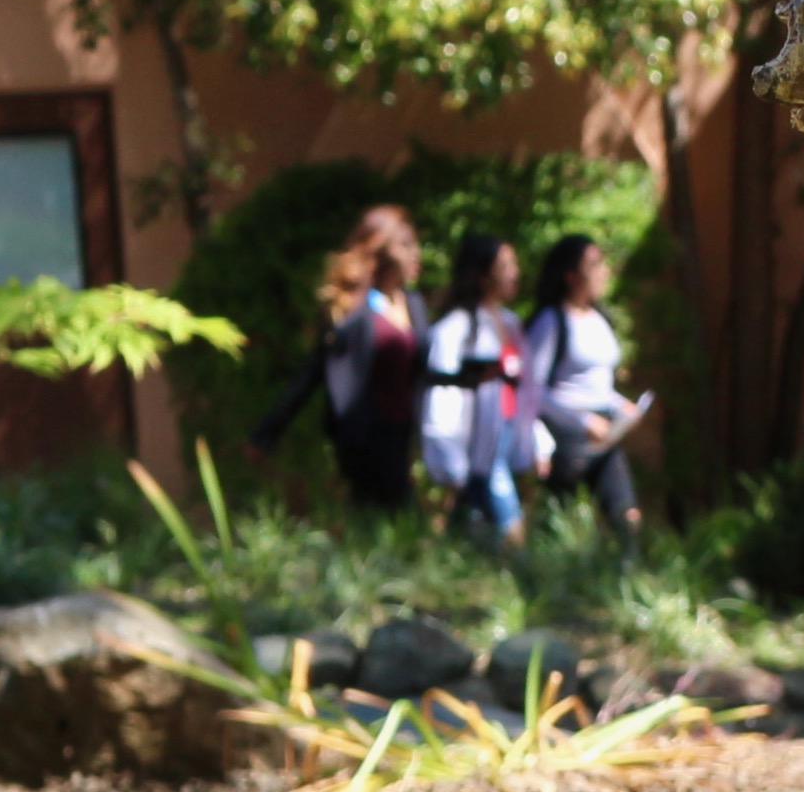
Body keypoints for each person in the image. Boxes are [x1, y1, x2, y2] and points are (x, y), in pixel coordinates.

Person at [261, 205, 425, 515]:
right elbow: (313, 372)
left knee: (387, 522)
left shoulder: (414, 305)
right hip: (366, 438)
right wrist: (268, 432)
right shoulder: (353, 310)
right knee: (387, 515)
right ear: (382, 249)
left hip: (404, 434)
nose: (415, 254)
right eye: (405, 245)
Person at [518, 234, 653, 536]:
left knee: (626, 516)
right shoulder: (551, 322)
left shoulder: (599, 319)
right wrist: (581, 421)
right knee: (557, 522)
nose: (604, 271)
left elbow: (598, 385)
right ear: (571, 276)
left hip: (605, 434)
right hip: (566, 439)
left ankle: (623, 575)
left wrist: (621, 406)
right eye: (594, 264)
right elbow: (532, 389)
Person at [420, 233, 531, 545]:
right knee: (511, 530)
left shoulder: (510, 323)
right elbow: (441, 395)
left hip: (504, 438)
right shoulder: (456, 329)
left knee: (471, 529)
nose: (515, 273)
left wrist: (536, 438)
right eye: (506, 265)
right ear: (483, 276)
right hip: (472, 448)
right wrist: (450, 459)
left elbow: (523, 390)